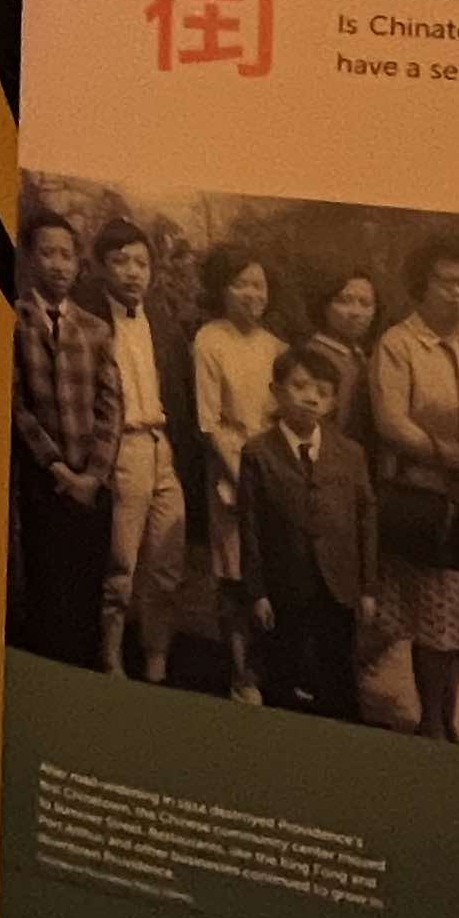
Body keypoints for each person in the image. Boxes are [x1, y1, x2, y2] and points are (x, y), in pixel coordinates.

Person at [368, 238, 459, 743]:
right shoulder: (399, 345)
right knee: (434, 618)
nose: (458, 293)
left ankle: (449, 718)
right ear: (422, 283)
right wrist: (450, 456)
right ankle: (431, 721)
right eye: (447, 282)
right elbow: (391, 422)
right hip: (424, 499)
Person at [236, 338, 375, 720]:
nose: (311, 398)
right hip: (285, 583)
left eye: (323, 392)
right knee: (283, 666)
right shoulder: (258, 453)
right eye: (299, 386)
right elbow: (250, 526)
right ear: (276, 391)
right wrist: (257, 591)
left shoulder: (350, 454)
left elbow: (366, 519)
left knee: (339, 672)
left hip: (338, 584)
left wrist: (367, 588)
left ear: (333, 403)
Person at [6, 210, 117, 668]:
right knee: (47, 581)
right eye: (48, 253)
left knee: (86, 581)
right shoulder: (15, 319)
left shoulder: (95, 329)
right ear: (30, 258)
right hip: (43, 480)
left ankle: (84, 670)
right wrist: (55, 467)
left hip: (91, 482)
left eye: (67, 255)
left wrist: (93, 475)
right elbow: (15, 404)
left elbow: (111, 405)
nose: (58, 264)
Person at [91, 221, 190, 681]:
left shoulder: (163, 325)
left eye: (142, 263)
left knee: (167, 563)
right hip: (123, 447)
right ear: (101, 267)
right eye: (121, 262)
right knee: (121, 564)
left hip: (161, 446)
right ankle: (110, 657)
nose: (133, 273)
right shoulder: (90, 320)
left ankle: (157, 657)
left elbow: (180, 396)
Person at [191, 256, 286, 705]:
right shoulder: (210, 340)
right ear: (224, 289)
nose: (253, 295)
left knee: (272, 570)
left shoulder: (276, 346)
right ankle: (240, 672)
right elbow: (208, 423)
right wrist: (243, 479)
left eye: (259, 285)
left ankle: (273, 669)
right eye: (242, 284)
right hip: (230, 464)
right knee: (234, 573)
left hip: (274, 467)